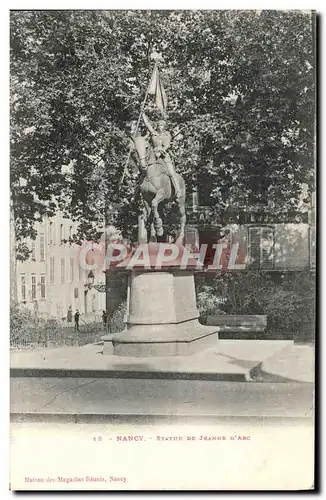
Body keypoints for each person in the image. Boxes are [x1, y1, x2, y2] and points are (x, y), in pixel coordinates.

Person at [142, 113, 181, 200]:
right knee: (144, 169)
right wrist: (143, 114)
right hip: (153, 156)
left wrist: (161, 151)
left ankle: (178, 191)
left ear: (164, 127)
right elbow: (148, 125)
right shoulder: (154, 133)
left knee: (171, 173)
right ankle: (137, 192)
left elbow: (167, 146)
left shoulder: (167, 135)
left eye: (162, 125)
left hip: (163, 156)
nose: (160, 126)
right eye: (159, 125)